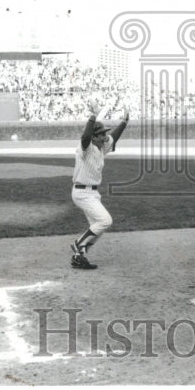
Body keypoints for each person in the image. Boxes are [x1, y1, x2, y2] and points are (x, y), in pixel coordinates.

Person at [69, 102, 129, 269]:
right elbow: (85, 138)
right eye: (101, 134)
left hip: (92, 194)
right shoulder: (85, 148)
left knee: (97, 227)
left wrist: (124, 121)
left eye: (104, 134)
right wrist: (93, 117)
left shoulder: (101, 148)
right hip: (82, 193)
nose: (105, 137)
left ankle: (78, 257)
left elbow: (114, 137)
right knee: (105, 220)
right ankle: (78, 245)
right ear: (94, 137)